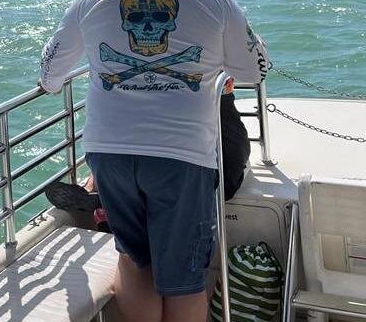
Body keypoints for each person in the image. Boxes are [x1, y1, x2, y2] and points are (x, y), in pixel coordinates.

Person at [39, 0, 269, 322]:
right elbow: (255, 70)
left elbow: (50, 73)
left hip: (108, 151)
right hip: (182, 156)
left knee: (133, 259)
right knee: (183, 280)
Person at [46, 78, 252, 228]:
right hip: (220, 181)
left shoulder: (180, 107)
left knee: (123, 141)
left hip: (192, 182)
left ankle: (102, 196)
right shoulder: (219, 117)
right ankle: (105, 197)